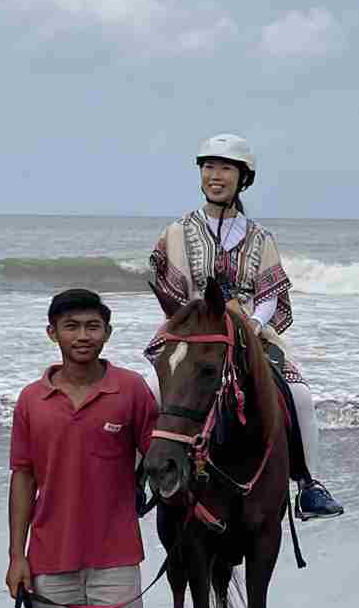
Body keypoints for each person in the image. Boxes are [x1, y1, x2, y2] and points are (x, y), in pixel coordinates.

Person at [6, 289, 158, 608]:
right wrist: (16, 556)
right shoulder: (31, 400)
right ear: (52, 333)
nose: (83, 337)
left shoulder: (132, 390)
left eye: (93, 326)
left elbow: (162, 460)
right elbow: (22, 477)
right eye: (71, 327)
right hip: (50, 553)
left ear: (108, 333)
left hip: (116, 551)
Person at [146, 134, 343, 521]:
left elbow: (269, 293)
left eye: (225, 168)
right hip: (193, 335)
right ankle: (140, 479)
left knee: (298, 394)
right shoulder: (176, 232)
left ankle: (309, 485)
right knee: (150, 389)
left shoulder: (260, 238)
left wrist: (252, 323)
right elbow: (168, 288)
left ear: (243, 179)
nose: (215, 176)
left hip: (247, 335)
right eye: (208, 167)